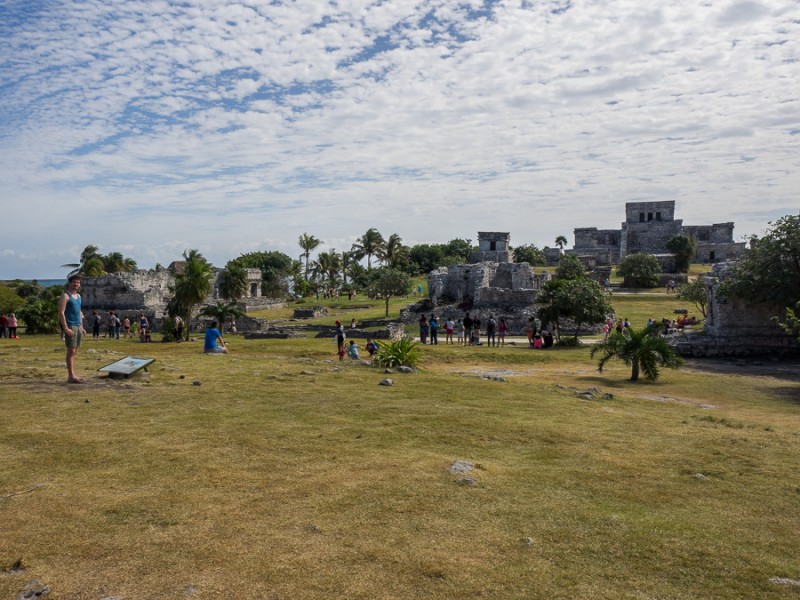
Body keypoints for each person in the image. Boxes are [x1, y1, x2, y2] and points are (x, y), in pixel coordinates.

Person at [58, 275, 85, 383]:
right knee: (71, 351)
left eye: (78, 282)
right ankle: (71, 376)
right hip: (70, 326)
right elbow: (61, 312)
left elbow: (79, 312)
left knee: (75, 351)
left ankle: (73, 374)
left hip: (78, 325)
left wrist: (82, 327)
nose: (76, 284)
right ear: (70, 283)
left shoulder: (78, 296)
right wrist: (65, 328)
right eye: (74, 282)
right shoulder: (65, 296)